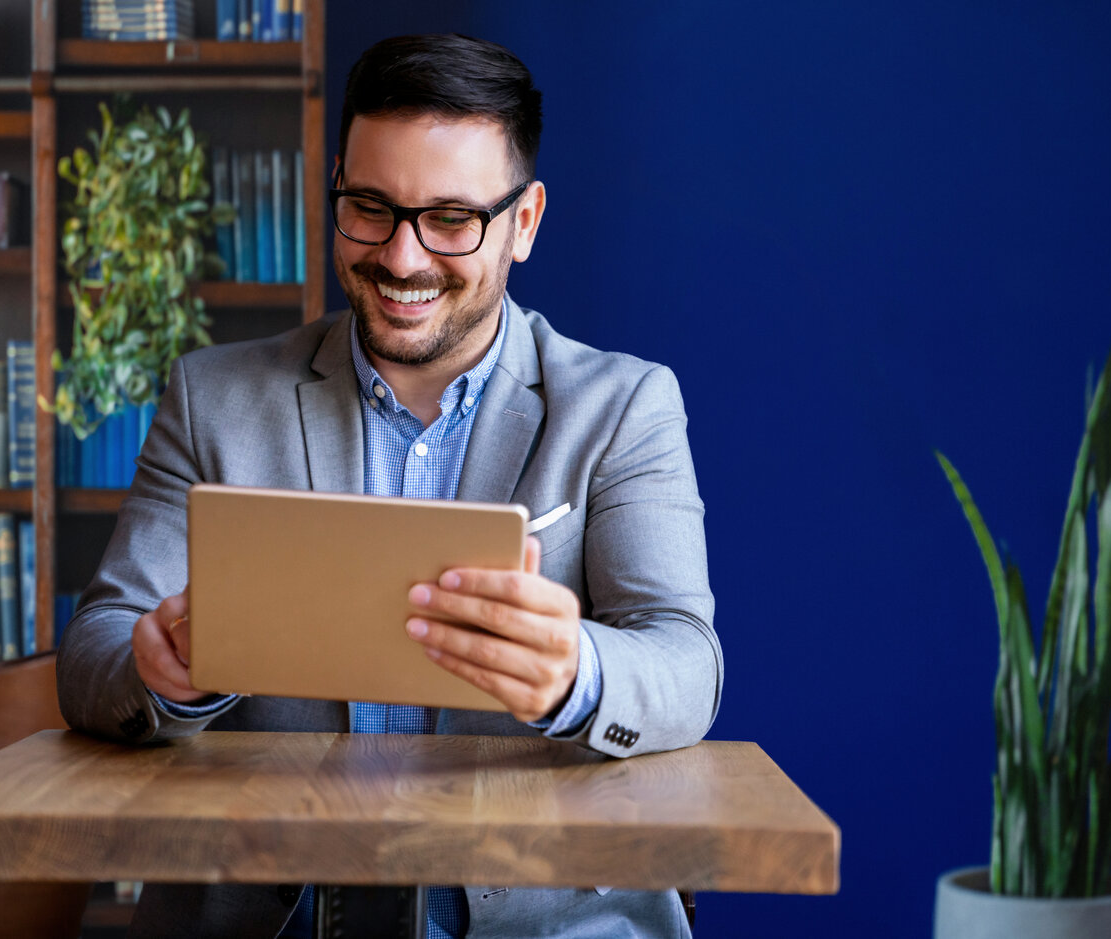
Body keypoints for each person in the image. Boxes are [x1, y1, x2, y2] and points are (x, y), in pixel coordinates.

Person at [56, 33, 722, 939]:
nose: (403, 258)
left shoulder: (624, 407)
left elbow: (686, 662)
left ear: (524, 222)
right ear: (336, 187)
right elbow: (92, 654)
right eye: (370, 207)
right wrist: (161, 668)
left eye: (452, 219)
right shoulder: (214, 399)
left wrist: (577, 672)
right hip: (271, 916)